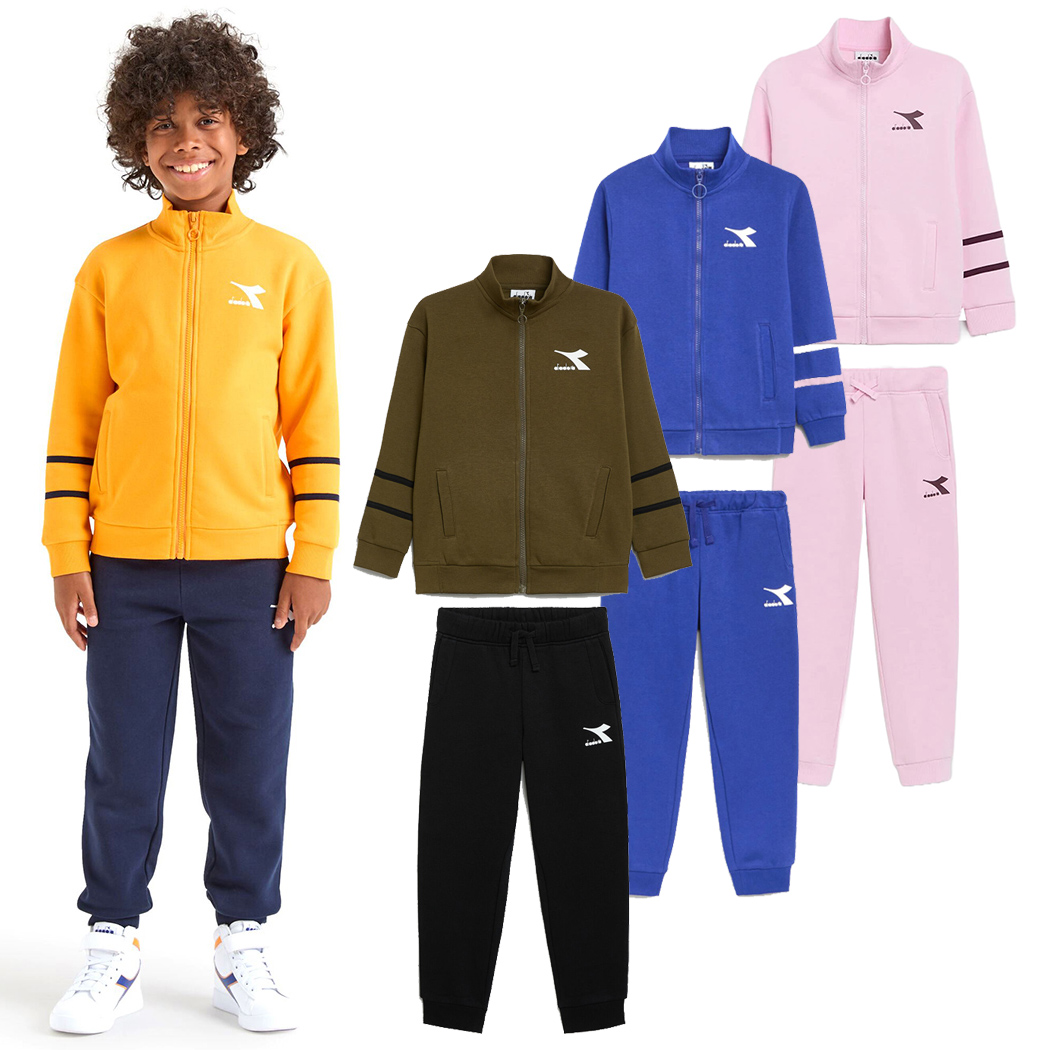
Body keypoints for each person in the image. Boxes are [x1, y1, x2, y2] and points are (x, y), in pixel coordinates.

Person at [43, 14, 339, 1034]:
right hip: (121, 566)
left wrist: (312, 556)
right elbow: (75, 420)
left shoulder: (291, 268)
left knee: (247, 763)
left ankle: (242, 940)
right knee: (122, 761)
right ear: (139, 141)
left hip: (249, 565)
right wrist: (67, 553)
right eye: (163, 124)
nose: (187, 142)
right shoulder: (109, 269)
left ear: (244, 132)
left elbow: (313, 423)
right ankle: (111, 940)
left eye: (207, 118)